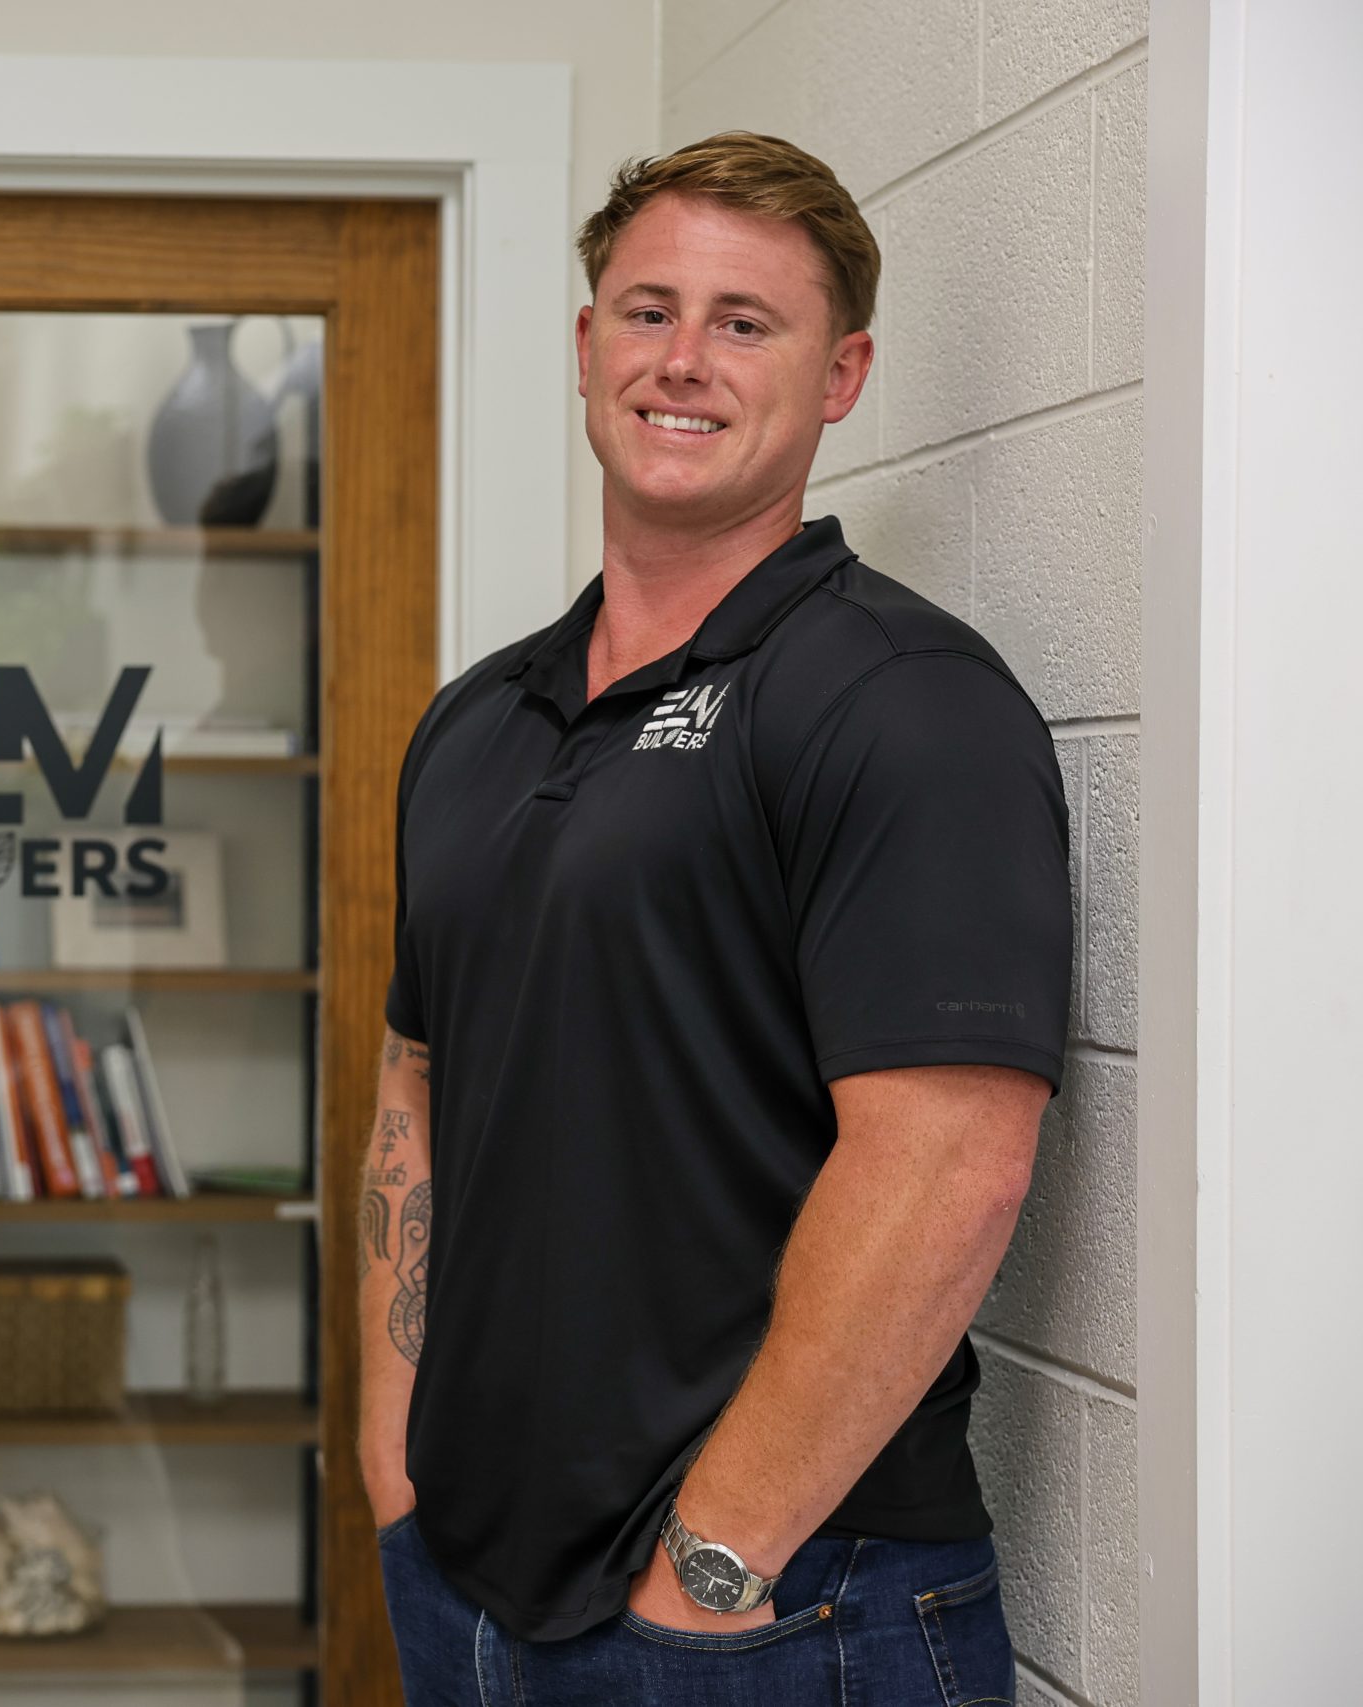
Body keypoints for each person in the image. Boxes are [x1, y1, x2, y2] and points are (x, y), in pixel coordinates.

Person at [358, 132, 1070, 1704]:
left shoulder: (900, 700)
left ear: (842, 375)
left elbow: (950, 1156)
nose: (683, 360)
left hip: (788, 1606)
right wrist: (395, 1464)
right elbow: (417, 1080)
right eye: (647, 309)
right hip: (470, 1583)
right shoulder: (479, 722)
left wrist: (714, 1568)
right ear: (586, 343)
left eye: (746, 323)